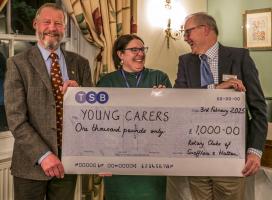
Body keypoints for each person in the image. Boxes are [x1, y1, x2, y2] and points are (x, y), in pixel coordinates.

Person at [173, 12, 267, 200]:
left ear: (205, 29)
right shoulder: (185, 61)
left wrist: (255, 151)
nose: (185, 38)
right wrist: (215, 88)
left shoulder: (239, 57)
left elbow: (258, 109)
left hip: (231, 159)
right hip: (196, 157)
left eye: (188, 32)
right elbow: (180, 100)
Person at [4, 3, 92, 200]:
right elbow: (16, 120)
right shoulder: (18, 64)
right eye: (47, 22)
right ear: (36, 24)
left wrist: (82, 97)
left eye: (58, 23)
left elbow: (92, 115)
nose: (52, 28)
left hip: (67, 162)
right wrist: (44, 155)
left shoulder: (81, 64)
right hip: (31, 164)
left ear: (64, 28)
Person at [97, 34, 172, 200]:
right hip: (116, 158)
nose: (140, 53)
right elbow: (98, 125)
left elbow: (172, 120)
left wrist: (165, 100)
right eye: (134, 50)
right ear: (121, 55)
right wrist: (100, 158)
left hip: (152, 158)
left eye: (142, 49)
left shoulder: (159, 77)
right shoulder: (106, 82)